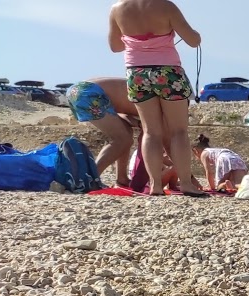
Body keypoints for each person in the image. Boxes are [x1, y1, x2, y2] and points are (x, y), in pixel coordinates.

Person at [108, 0, 203, 197]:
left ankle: (155, 185)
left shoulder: (117, 8)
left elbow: (115, 46)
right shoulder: (166, 6)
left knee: (151, 132)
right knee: (178, 131)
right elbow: (193, 41)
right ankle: (186, 183)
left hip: (137, 73)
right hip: (168, 71)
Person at [66, 77, 139, 187]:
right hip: (89, 92)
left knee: (126, 133)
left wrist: (138, 123)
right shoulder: (165, 106)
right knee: (122, 139)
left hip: (80, 89)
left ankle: (121, 179)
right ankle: (90, 180)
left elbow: (124, 113)